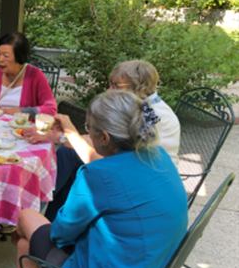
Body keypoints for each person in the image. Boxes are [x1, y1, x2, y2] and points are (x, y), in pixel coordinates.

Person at [0, 91, 188, 268]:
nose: (87, 132)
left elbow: (61, 235)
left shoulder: (97, 176)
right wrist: (69, 132)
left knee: (25, 217)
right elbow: (99, 163)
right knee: (26, 245)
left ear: (104, 137)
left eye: (88, 128)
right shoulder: (158, 156)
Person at [26, 60, 181, 220]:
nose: (109, 90)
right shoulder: (140, 106)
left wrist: (63, 136)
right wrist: (59, 136)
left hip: (144, 187)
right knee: (71, 161)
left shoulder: (150, 116)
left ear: (138, 87)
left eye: (115, 85)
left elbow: (110, 158)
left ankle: (37, 207)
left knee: (77, 168)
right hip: (139, 175)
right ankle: (48, 214)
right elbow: (96, 141)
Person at [0, 32, 57, 116]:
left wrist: (23, 111)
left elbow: (51, 109)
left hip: (23, 130)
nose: (0, 59)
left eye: (6, 56)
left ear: (19, 57)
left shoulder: (35, 76)